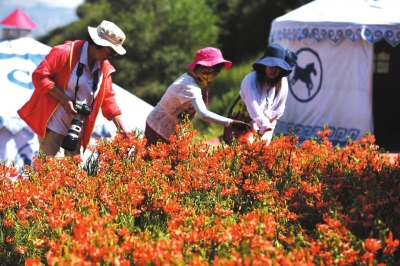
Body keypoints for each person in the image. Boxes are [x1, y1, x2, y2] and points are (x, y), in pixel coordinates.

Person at [18, 20, 129, 157]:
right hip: (53, 126)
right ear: (98, 44)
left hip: (77, 131)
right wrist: (64, 99)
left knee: (73, 176)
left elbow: (108, 100)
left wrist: (123, 130)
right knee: (50, 174)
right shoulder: (64, 52)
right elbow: (39, 76)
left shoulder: (104, 67)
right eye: (111, 52)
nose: (111, 57)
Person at [145, 47, 250, 146]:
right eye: (214, 70)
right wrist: (231, 123)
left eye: (218, 71)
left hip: (169, 132)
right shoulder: (188, 86)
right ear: (202, 68)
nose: (215, 74)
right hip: (158, 128)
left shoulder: (193, 82)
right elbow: (203, 114)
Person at [235, 43, 297, 145]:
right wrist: (263, 123)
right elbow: (253, 105)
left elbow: (279, 109)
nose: (274, 70)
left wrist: (267, 128)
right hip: (244, 125)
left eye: (278, 67)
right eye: (271, 65)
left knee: (262, 155)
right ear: (264, 65)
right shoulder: (250, 79)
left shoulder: (283, 83)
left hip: (268, 126)